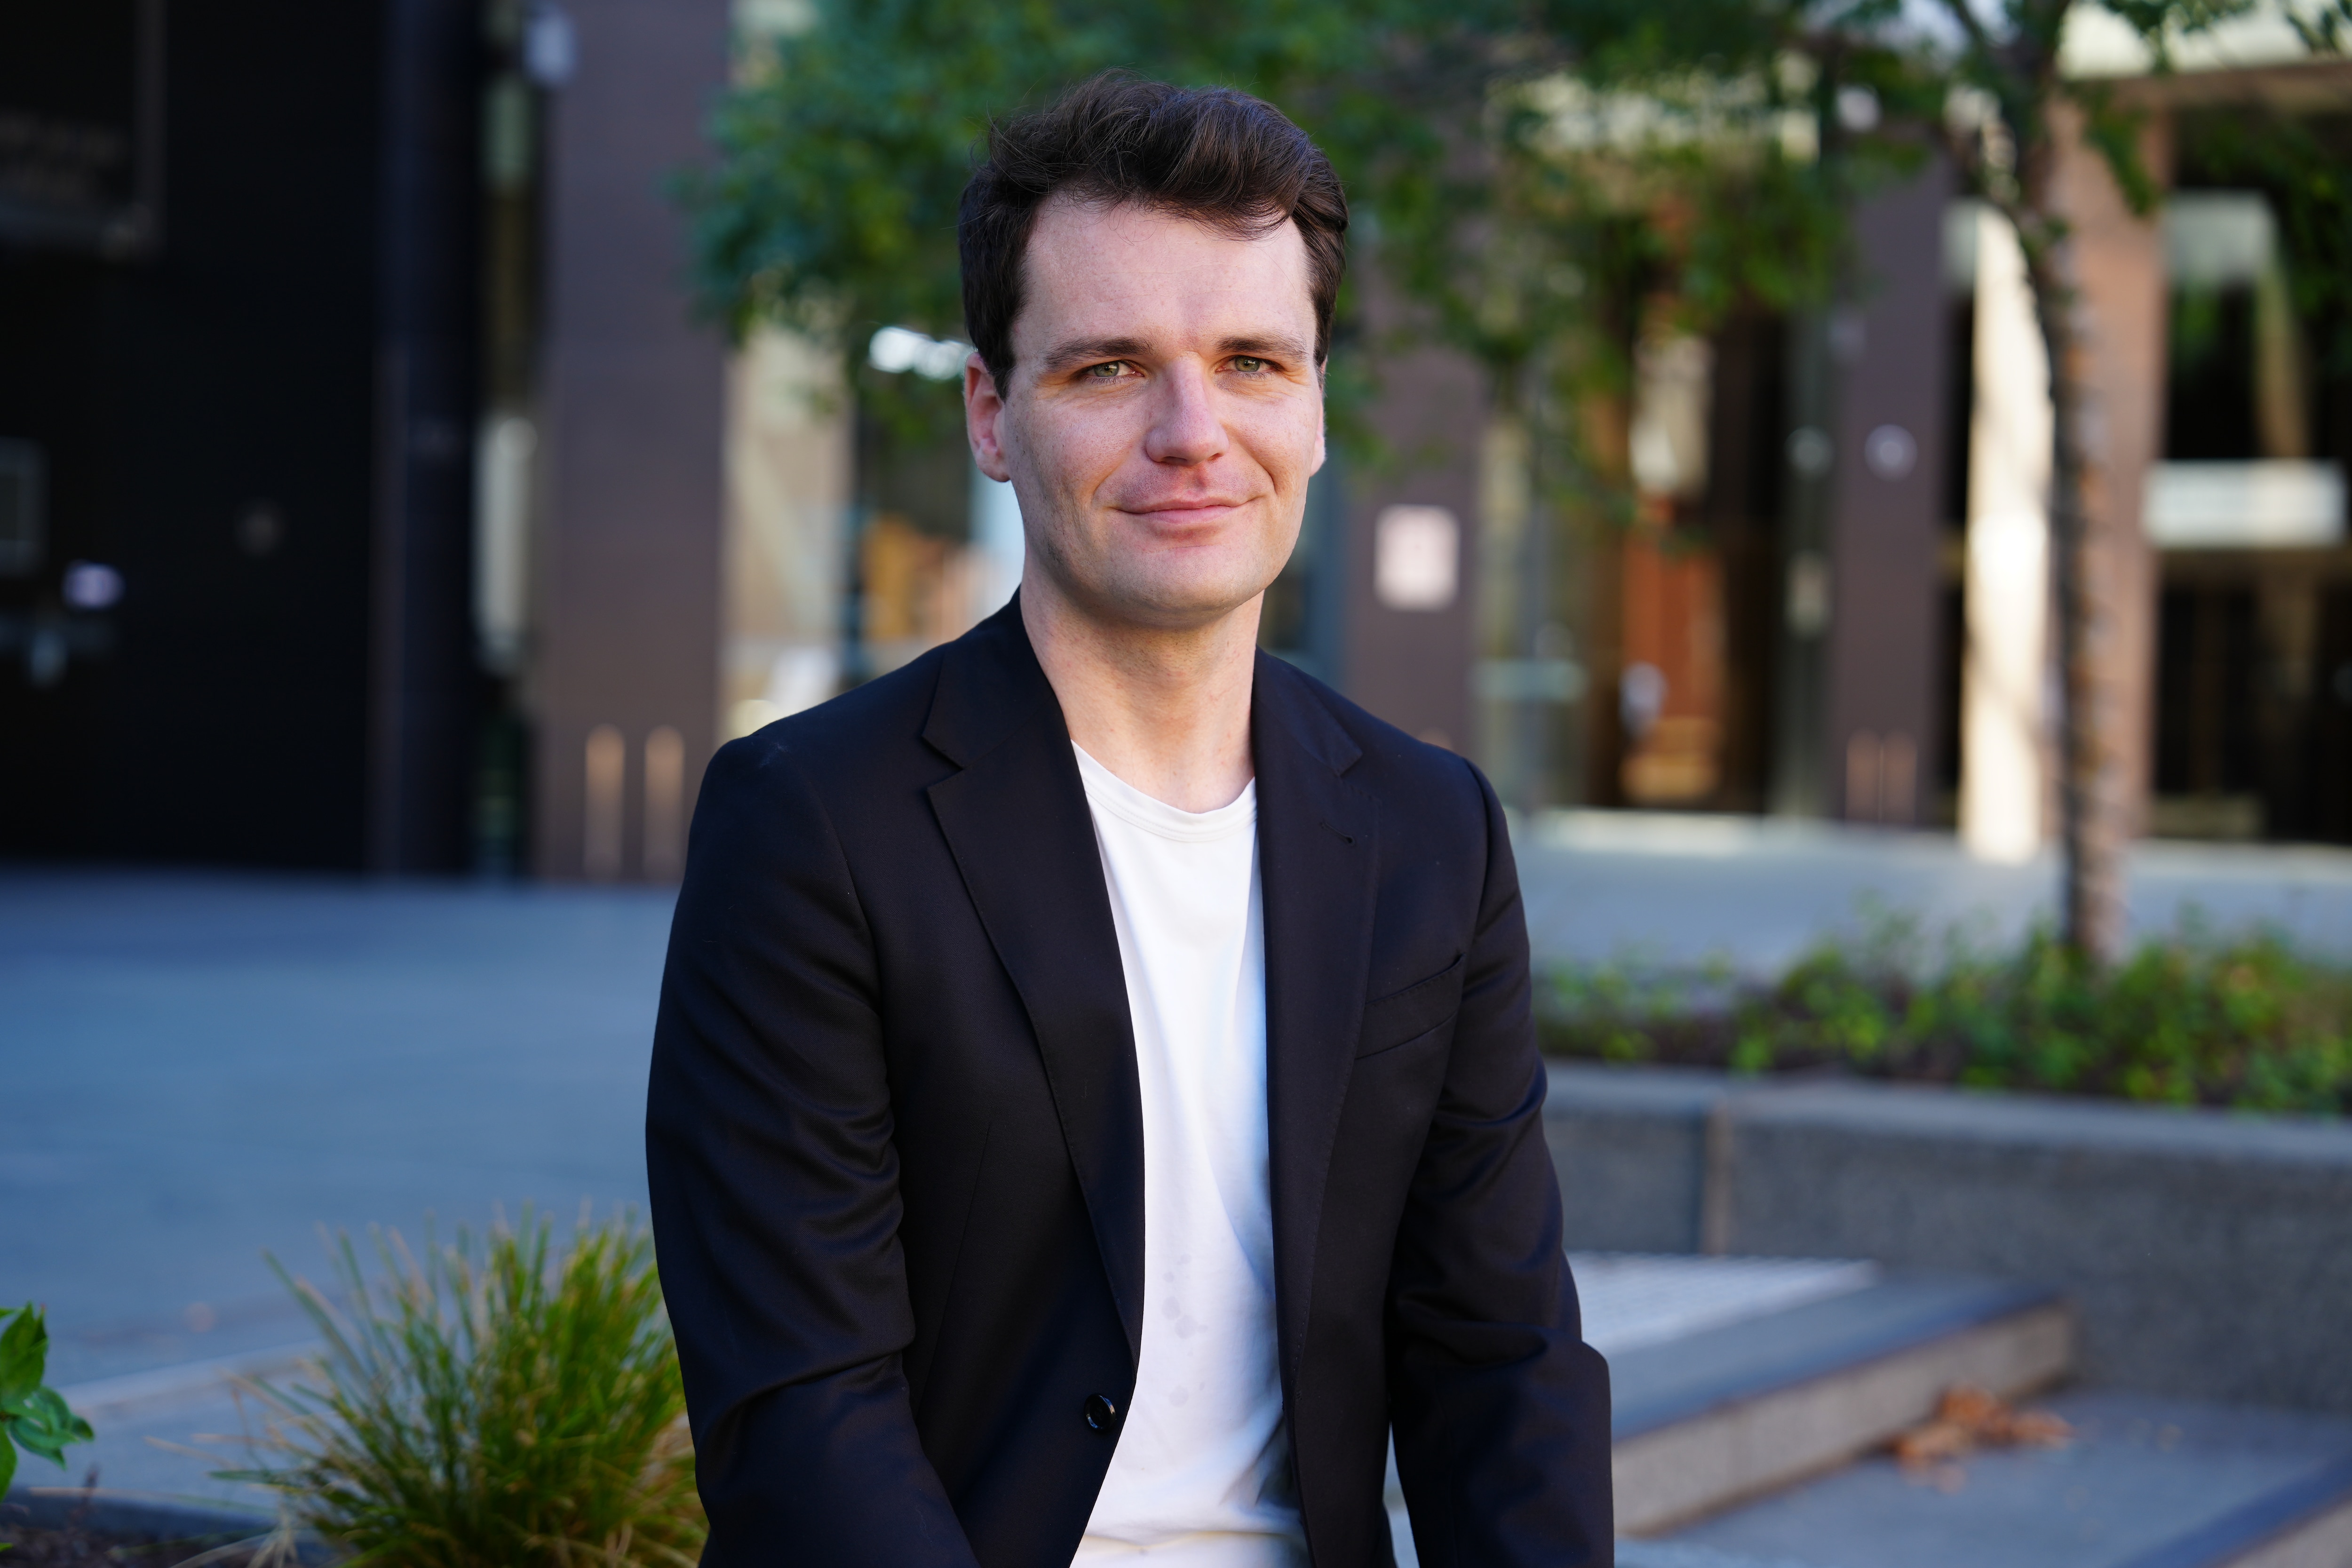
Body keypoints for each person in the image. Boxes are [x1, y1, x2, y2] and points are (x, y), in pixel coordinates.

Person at [646, 73, 1613, 1568]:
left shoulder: (1433, 831)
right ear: (993, 414)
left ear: (1317, 408)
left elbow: (1502, 1360)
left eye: (1252, 363)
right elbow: (802, 1407)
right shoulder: (813, 825)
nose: (1192, 431)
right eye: (1109, 367)